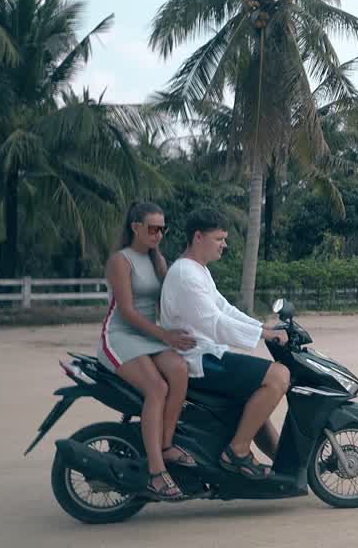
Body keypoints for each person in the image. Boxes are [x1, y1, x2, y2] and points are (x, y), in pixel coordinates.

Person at [159, 208, 290, 480]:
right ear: (198, 237)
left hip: (206, 354)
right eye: (219, 238)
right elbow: (214, 323)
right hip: (198, 360)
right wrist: (264, 336)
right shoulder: (186, 273)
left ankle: (283, 462)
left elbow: (225, 309)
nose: (224, 245)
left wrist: (263, 328)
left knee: (257, 392)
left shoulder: (198, 270)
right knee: (279, 375)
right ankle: (237, 451)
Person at [99, 201, 198, 501]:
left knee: (181, 370)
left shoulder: (158, 260)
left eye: (162, 229)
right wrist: (166, 336)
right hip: (120, 335)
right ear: (135, 227)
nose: (158, 234)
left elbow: (167, 301)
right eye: (153, 228)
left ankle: (165, 446)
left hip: (150, 336)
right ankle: (156, 472)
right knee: (156, 388)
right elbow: (127, 312)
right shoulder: (121, 260)